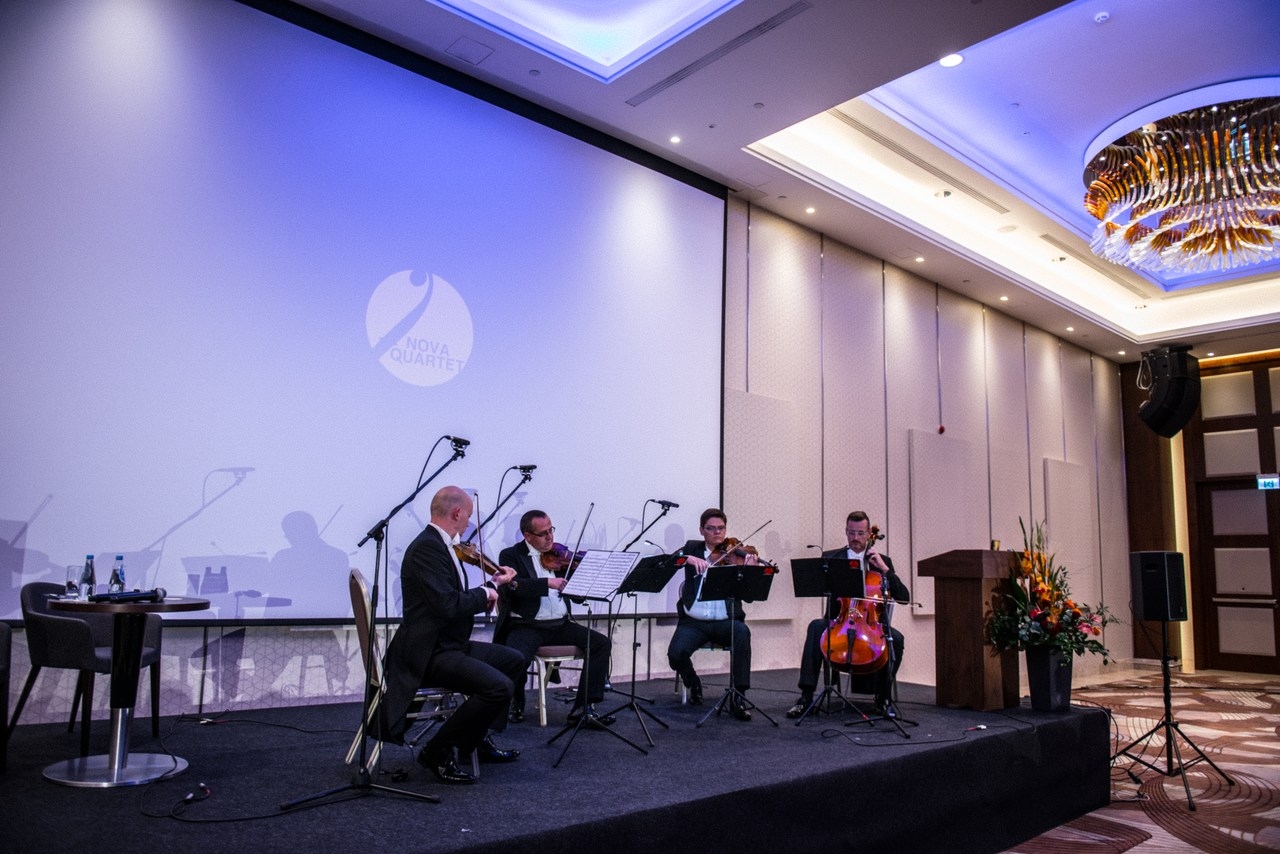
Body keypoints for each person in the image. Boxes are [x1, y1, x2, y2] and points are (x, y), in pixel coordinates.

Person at [379, 486, 527, 784]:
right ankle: (437, 750)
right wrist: (488, 591)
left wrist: (491, 586)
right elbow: (447, 605)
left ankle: (475, 739)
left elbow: (450, 599)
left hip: (449, 645)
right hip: (427, 652)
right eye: (469, 516)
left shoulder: (443, 545)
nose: (469, 522)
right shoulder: (427, 548)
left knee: (514, 660)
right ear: (457, 513)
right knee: (498, 688)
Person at [786, 510, 909, 718]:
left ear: (869, 534)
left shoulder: (882, 561)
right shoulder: (832, 557)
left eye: (860, 533)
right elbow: (820, 586)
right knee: (815, 627)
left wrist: (885, 570)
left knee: (896, 639)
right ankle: (805, 697)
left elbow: (904, 597)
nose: (855, 538)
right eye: (851, 533)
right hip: (838, 619)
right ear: (846, 531)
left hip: (870, 623)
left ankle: (883, 698)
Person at [496, 510, 614, 725]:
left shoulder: (560, 557)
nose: (550, 537)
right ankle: (515, 702)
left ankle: (583, 708)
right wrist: (547, 583)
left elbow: (576, 597)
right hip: (526, 625)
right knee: (515, 657)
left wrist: (583, 580)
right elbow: (513, 587)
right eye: (543, 533)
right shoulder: (511, 555)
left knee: (601, 644)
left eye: (551, 530)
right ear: (527, 535)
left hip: (559, 625)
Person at [666, 508, 755, 721]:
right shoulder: (692, 548)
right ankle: (693, 682)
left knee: (742, 633)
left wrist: (749, 572)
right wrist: (686, 558)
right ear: (702, 530)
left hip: (725, 621)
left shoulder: (735, 554)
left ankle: (739, 696)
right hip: (694, 622)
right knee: (675, 653)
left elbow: (750, 597)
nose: (718, 532)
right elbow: (669, 561)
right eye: (712, 528)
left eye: (721, 528)